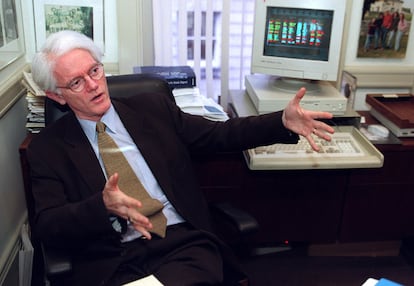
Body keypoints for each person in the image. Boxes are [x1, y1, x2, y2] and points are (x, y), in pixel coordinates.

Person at [28, 30, 334, 286]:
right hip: (109, 261)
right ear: (57, 95)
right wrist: (101, 206)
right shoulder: (47, 149)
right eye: (77, 82)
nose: (93, 84)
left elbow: (222, 134)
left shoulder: (153, 109)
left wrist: (280, 121)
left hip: (180, 245)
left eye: (94, 70)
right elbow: (47, 225)